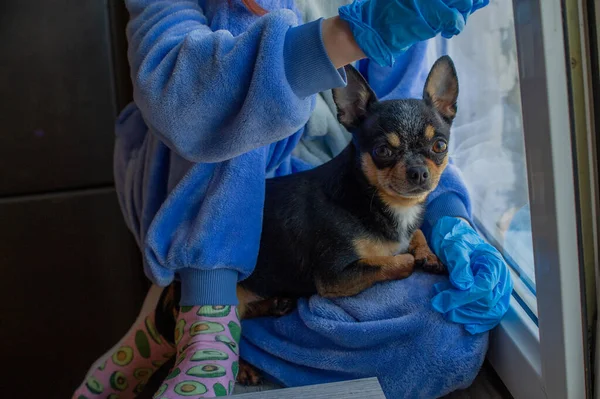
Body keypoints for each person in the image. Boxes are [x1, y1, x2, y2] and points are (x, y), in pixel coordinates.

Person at [73, 1, 512, 398]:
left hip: (347, 203)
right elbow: (183, 108)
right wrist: (349, 35)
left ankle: (179, 322)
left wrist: (452, 221)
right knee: (239, 21)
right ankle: (207, 307)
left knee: (447, 337)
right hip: (203, 195)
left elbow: (417, 128)